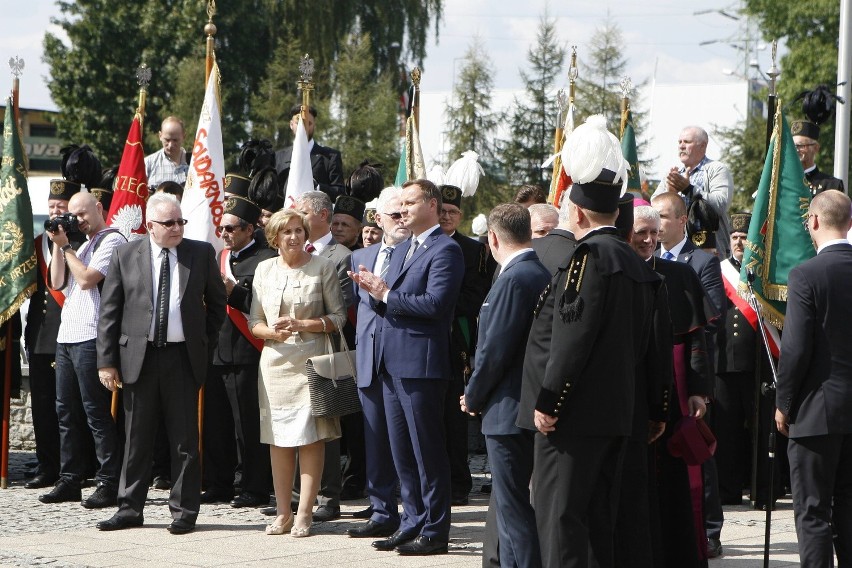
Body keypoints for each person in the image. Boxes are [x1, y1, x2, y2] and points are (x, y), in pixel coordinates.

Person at [517, 116, 662, 568]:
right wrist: (657, 407)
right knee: (600, 522)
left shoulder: (589, 259)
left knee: (560, 520)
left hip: (574, 418)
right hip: (618, 414)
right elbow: (652, 344)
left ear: (575, 213)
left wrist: (549, 401)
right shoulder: (638, 265)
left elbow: (572, 337)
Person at [95, 193, 226, 534]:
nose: (177, 228)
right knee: (136, 437)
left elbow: (217, 305)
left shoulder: (200, 253)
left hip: (182, 359)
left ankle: (184, 512)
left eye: (180, 221)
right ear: (150, 226)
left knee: (184, 440)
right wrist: (107, 361)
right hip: (138, 357)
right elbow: (109, 312)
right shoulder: (126, 254)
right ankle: (129, 508)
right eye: (169, 223)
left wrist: (201, 342)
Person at [350, 179, 464, 556]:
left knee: (426, 451)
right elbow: (389, 304)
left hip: (420, 366)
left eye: (410, 202)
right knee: (401, 451)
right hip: (389, 362)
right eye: (398, 205)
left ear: (432, 204)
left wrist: (384, 293)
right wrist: (373, 288)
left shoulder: (445, 249)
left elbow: (435, 305)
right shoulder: (403, 249)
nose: (401, 211)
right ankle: (411, 520)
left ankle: (435, 529)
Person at [462, 203, 550, 568]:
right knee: (513, 508)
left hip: (507, 408)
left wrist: (473, 395)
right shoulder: (541, 272)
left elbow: (494, 350)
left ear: (493, 238)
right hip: (526, 405)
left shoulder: (513, 278)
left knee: (514, 513)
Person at [249, 209, 347, 537]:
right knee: (278, 440)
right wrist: (271, 333)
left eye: (299, 230)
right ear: (275, 238)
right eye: (287, 232)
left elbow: (339, 317)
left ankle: (305, 512)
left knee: (310, 438)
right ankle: (282, 513)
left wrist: (304, 324)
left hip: (312, 364)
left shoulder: (324, 268)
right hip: (275, 366)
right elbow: (255, 321)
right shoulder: (263, 270)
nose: (294, 237)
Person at [628, 205, 716, 567]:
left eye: (654, 233)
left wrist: (698, 388)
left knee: (675, 474)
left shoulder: (678, 275)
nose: (649, 240)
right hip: (632, 388)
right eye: (641, 234)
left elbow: (696, 338)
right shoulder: (618, 272)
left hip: (676, 389)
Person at [775, 190, 852, 566]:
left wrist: (783, 403)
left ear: (815, 222)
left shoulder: (805, 274)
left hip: (816, 413)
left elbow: (796, 349)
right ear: (850, 223)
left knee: (813, 512)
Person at [39, 192, 125, 509]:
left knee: (96, 413)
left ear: (99, 209)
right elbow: (59, 281)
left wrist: (66, 246)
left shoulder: (111, 240)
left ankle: (109, 482)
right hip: (67, 336)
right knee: (66, 413)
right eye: (72, 216)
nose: (77, 221)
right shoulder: (80, 244)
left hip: (92, 336)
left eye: (82, 214)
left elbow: (88, 279)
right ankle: (70, 478)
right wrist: (59, 246)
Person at [652, 190, 726, 557]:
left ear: (681, 219)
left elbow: (710, 322)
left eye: (663, 217)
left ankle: (709, 529)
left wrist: (697, 378)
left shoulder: (700, 261)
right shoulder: (644, 261)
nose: (657, 225)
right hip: (657, 368)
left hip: (688, 367)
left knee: (695, 446)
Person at [201, 196, 276, 507]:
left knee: (247, 424)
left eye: (230, 228)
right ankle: (219, 484)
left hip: (248, 351)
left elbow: (268, 307)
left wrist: (234, 292)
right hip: (216, 350)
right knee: (216, 424)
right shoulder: (218, 258)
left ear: (249, 229)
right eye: (221, 228)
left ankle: (254, 486)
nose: (224, 234)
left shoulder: (267, 260)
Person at [346, 187, 409, 539]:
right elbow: (359, 308)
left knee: (406, 442)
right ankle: (382, 510)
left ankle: (415, 512)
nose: (402, 220)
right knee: (374, 439)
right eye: (395, 215)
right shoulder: (360, 257)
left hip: (403, 358)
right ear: (378, 219)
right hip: (370, 359)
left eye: (405, 213)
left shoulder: (417, 253)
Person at [294, 190, 355, 521]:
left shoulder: (341, 255)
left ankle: (328, 497)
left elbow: (341, 309)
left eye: (301, 212)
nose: (296, 218)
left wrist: (302, 319)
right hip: (290, 353)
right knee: (293, 422)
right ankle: (295, 495)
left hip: (323, 351)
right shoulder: (289, 253)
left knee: (324, 423)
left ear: (320, 215)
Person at [714, 212, 782, 510]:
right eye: (736, 238)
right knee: (726, 431)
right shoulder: (718, 271)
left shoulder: (766, 275)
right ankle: (728, 490)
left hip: (760, 365)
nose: (740, 242)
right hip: (726, 363)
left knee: (761, 430)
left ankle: (764, 490)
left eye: (745, 238)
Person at [24, 181, 86, 490]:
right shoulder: (36, 245)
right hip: (41, 337)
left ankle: (75, 466)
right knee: (44, 407)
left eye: (60, 209)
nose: (55, 214)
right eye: (51, 209)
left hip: (72, 334)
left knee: (72, 407)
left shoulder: (83, 245)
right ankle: (47, 464)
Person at [438, 183, 490, 506]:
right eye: (442, 210)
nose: (447, 216)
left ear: (460, 216)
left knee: (455, 417)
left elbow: (476, 295)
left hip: (456, 338)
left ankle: (459, 482)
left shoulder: (472, 251)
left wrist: (438, 303)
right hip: (427, 338)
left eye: (453, 212)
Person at [652, 126, 733, 258]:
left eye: (687, 142)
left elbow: (720, 204)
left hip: (709, 250)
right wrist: (670, 194)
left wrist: (689, 189)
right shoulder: (673, 174)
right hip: (676, 251)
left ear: (703, 146)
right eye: (679, 142)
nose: (681, 146)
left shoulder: (717, 169)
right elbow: (653, 206)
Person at [275, 105, 346, 201]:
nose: (303, 128)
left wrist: (317, 187)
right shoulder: (279, 157)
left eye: (308, 123)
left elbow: (340, 192)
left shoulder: (330, 157)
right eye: (299, 123)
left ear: (314, 125)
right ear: (291, 125)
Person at [790, 120, 845, 195]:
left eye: (801, 145)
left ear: (816, 148)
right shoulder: (782, 182)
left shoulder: (831, 186)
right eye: (792, 146)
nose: (796, 149)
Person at [144, 117, 189, 190]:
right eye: (167, 140)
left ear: (184, 137)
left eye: (175, 140)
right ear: (160, 136)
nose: (171, 145)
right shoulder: (148, 164)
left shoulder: (194, 163)